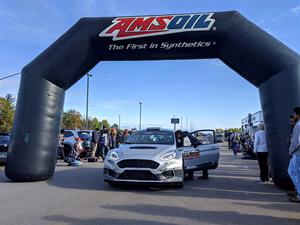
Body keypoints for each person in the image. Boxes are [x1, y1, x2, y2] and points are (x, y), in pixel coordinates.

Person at [287, 107, 300, 203]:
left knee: (296, 173)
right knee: (291, 171)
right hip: (297, 153)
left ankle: (299, 194)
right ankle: (298, 189)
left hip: (297, 153)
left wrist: (291, 150)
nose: (294, 115)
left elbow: (296, 141)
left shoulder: (298, 125)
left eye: (295, 114)